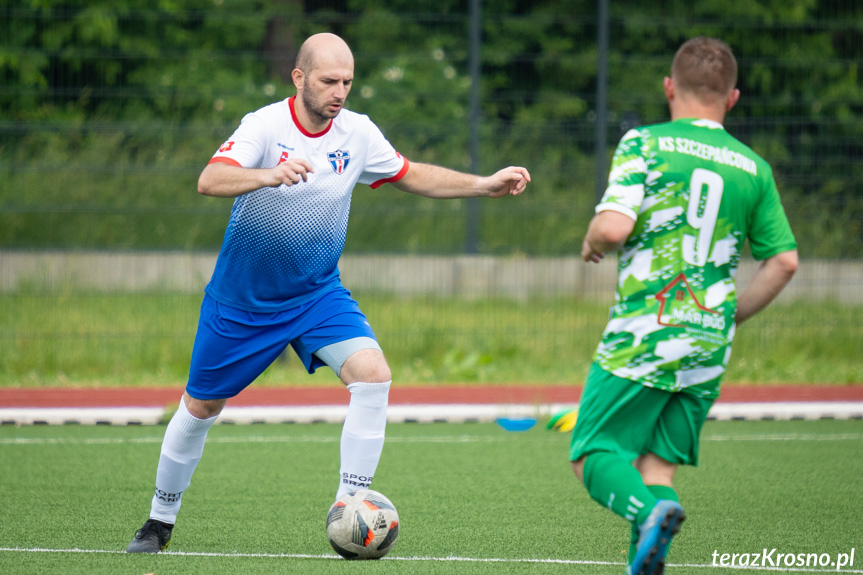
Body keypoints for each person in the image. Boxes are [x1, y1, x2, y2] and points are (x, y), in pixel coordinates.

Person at [127, 32, 530, 553]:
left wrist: (483, 184)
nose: (340, 91)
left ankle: (350, 508)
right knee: (202, 407)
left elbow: (409, 174)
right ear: (298, 78)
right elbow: (210, 179)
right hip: (243, 304)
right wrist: (267, 175)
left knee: (373, 376)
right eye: (328, 80)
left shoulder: (358, 133)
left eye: (347, 81)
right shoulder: (264, 125)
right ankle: (159, 521)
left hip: (317, 295)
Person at [569, 37, 797, 575]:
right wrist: (731, 313)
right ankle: (650, 538)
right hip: (709, 340)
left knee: (592, 454)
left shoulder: (645, 143)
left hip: (646, 330)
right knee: (656, 466)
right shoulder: (754, 167)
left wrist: (592, 240)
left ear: (669, 88)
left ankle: (650, 515)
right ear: (733, 98)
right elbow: (784, 262)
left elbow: (615, 226)